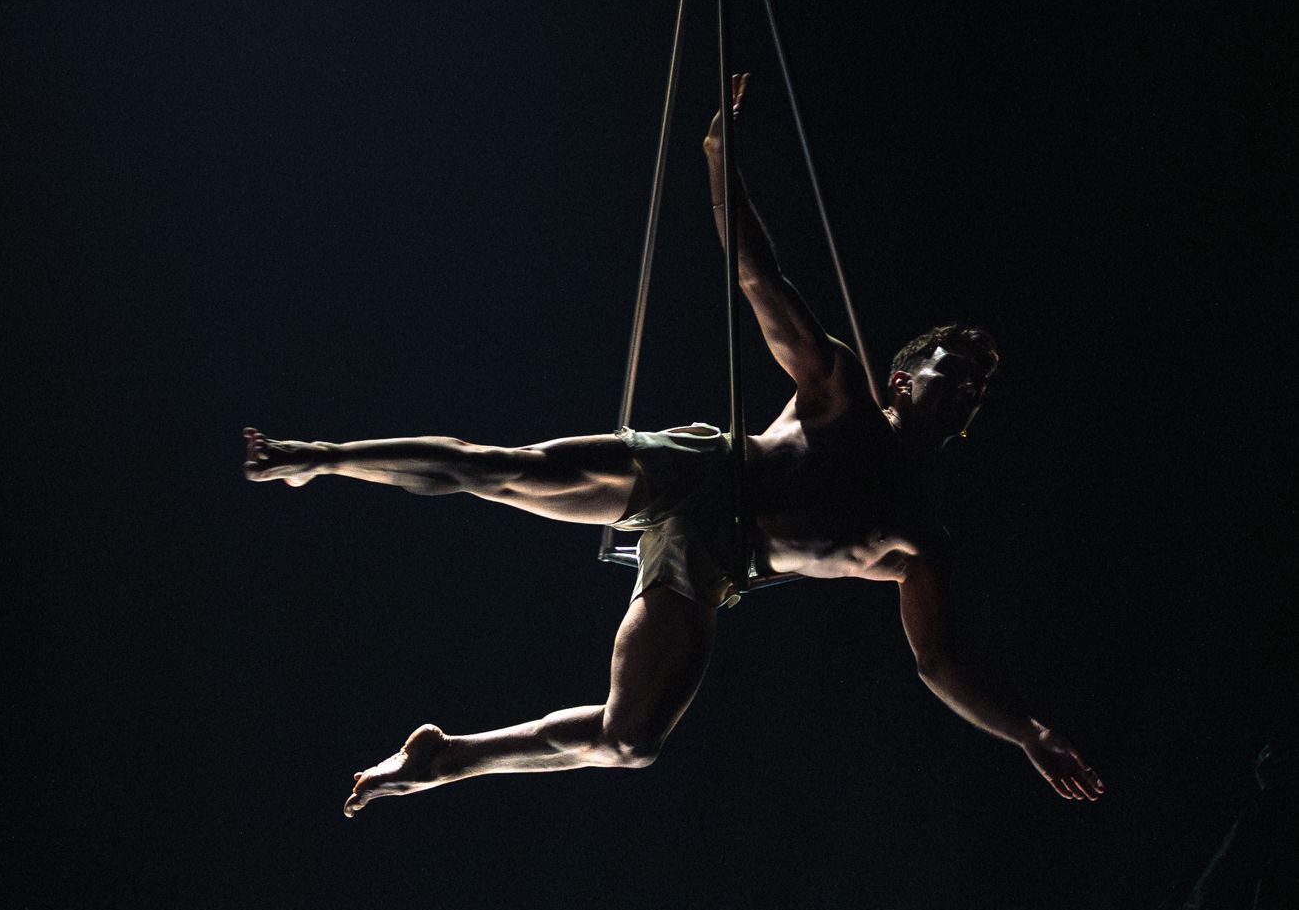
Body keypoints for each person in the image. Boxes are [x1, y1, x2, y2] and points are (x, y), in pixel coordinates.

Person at [243, 74, 1104, 816]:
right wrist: (721, 156)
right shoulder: (838, 388)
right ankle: (319, 457)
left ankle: (446, 758)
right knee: (501, 470)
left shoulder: (918, 534)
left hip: (712, 558)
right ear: (902, 380)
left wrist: (1026, 730)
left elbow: (938, 663)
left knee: (631, 742)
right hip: (693, 471)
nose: (968, 386)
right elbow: (757, 276)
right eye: (955, 369)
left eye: (978, 386)